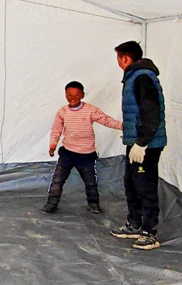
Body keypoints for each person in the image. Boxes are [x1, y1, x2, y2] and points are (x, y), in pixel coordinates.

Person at [110, 41, 167, 250]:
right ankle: (134, 224)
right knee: (132, 183)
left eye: (119, 58)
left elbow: (151, 112)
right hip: (136, 143)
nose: (118, 62)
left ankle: (150, 232)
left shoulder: (142, 77)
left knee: (145, 185)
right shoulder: (133, 77)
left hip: (146, 146)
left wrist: (142, 143)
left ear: (125, 58)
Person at [41, 81, 123, 215]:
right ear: (65, 95)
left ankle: (93, 203)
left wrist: (123, 126)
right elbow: (56, 129)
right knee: (57, 180)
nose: (72, 98)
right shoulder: (63, 112)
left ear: (82, 95)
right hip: (67, 153)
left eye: (76, 95)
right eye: (69, 95)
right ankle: (51, 203)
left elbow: (106, 120)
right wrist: (52, 145)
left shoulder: (90, 110)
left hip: (86, 154)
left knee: (90, 181)